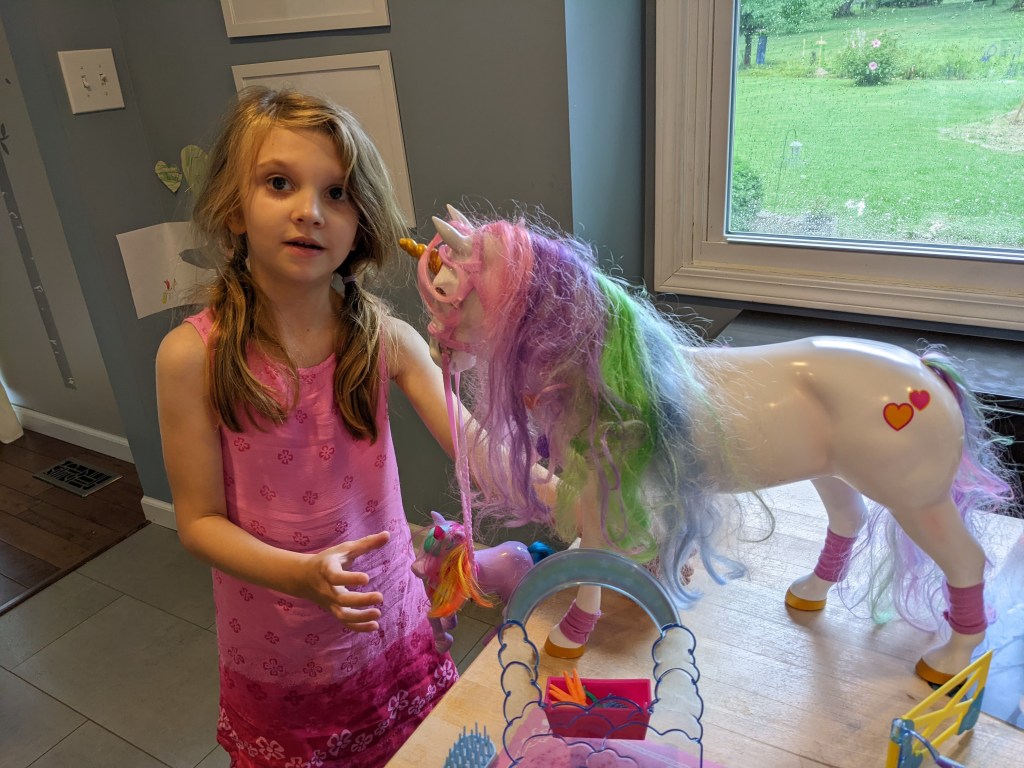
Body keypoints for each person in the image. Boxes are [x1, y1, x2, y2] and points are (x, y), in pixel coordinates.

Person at [156, 86, 469, 767]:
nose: (310, 211)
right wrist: (300, 575)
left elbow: (476, 447)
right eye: (279, 183)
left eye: (337, 193)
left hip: (389, 624)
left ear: (361, 223)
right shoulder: (192, 357)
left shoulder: (385, 339)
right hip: (281, 652)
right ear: (234, 208)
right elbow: (198, 523)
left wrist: (560, 477)